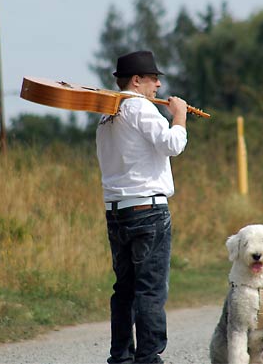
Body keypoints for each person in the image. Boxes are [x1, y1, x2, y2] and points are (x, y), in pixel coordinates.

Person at [96, 50, 188, 364]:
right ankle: (149, 359)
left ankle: (120, 357)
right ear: (137, 81)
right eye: (153, 79)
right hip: (148, 212)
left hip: (116, 211)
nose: (158, 85)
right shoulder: (140, 108)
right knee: (149, 290)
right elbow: (172, 145)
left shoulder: (107, 114)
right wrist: (180, 117)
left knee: (124, 290)